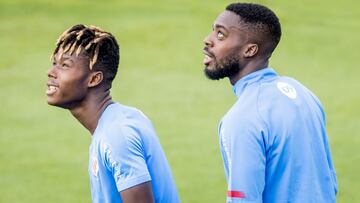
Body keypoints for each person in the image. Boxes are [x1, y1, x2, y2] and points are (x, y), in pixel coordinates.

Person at [202, 3, 337, 203]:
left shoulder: (241, 120)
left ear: (249, 50)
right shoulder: (304, 94)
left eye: (221, 34)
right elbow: (329, 183)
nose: (208, 40)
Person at [46, 24, 180, 203]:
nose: (51, 72)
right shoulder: (117, 122)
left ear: (94, 79)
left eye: (64, 65)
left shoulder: (116, 135)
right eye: (54, 63)